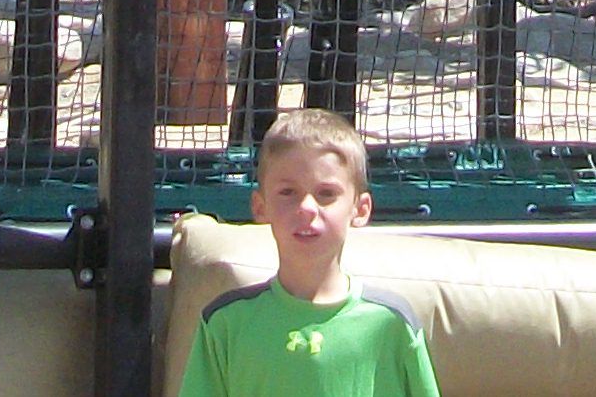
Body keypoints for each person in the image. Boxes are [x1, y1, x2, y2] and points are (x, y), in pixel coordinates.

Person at [181, 109, 440, 397]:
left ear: (360, 209)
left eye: (326, 193)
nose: (306, 208)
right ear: (260, 207)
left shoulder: (393, 323)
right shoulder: (225, 323)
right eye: (288, 192)